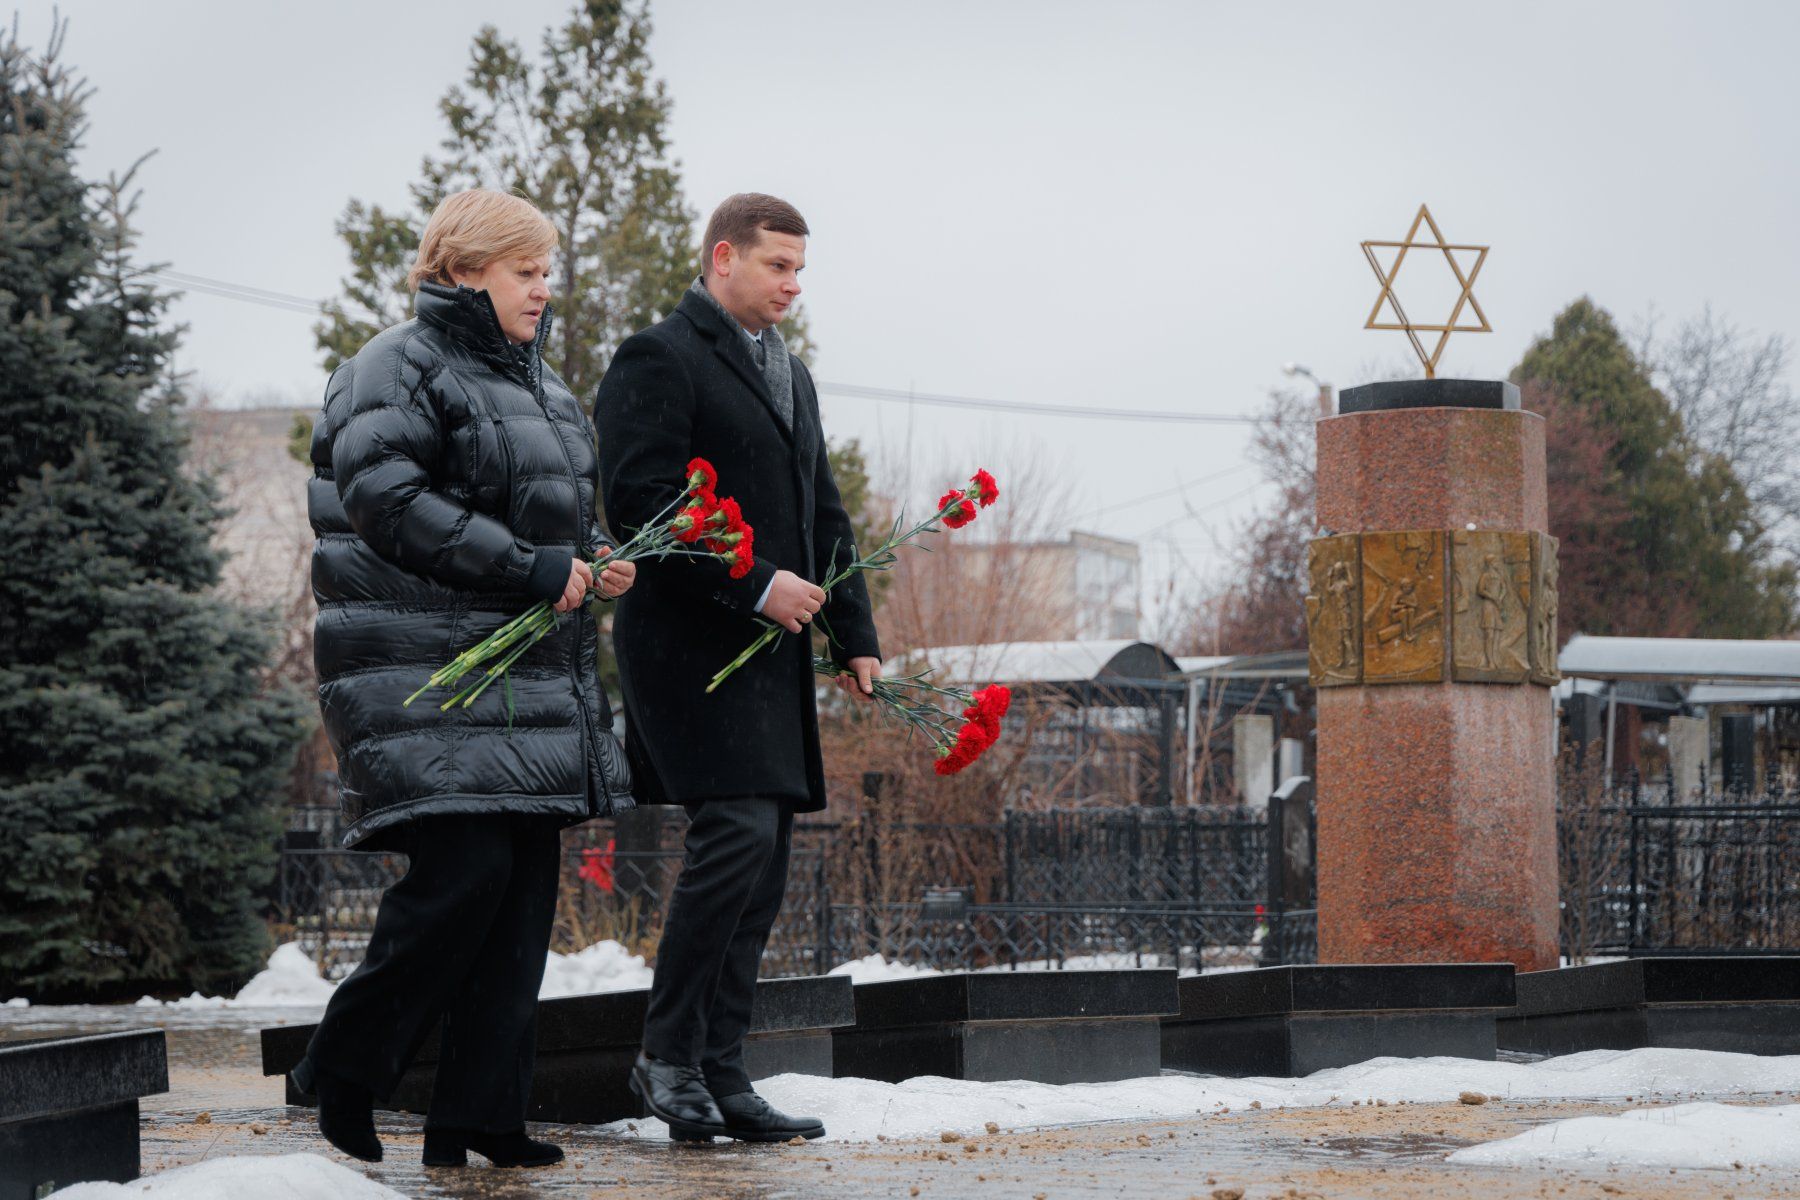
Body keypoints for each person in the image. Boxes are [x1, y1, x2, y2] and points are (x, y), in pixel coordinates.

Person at [295, 188, 636, 1168]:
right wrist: (531, 566)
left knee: (518, 900)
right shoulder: (393, 367)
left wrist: (595, 558)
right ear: (461, 271)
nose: (543, 288)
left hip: (525, 683)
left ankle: (480, 1119)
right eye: (525, 271)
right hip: (423, 676)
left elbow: (550, 518)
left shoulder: (545, 388)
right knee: (464, 878)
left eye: (546, 271)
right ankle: (343, 1069)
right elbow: (385, 498)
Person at [595, 192, 881, 1143]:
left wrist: (854, 633)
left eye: (800, 269)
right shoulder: (658, 355)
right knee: (736, 838)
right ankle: (667, 1058)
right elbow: (642, 503)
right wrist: (756, 585)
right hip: (689, 645)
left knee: (763, 861)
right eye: (777, 266)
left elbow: (823, 511)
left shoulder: (791, 374)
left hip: (771, 650)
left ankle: (720, 1071)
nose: (794, 286)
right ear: (724, 257)